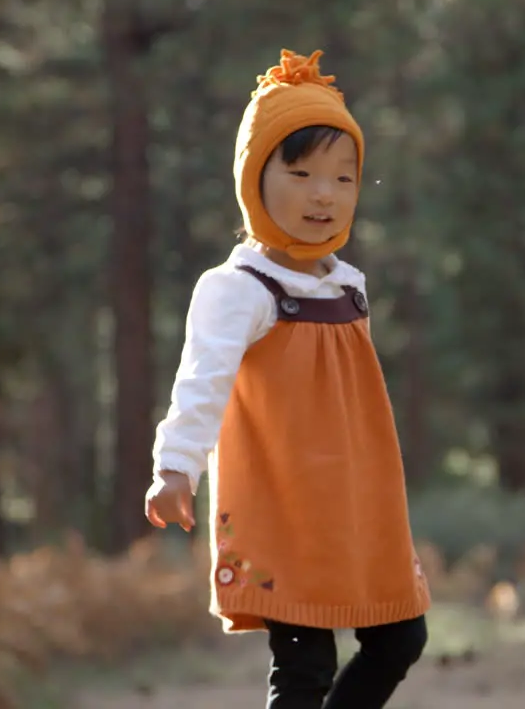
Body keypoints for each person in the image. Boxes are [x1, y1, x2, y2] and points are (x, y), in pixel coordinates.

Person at [144, 48, 431, 709]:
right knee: (304, 671)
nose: (323, 194)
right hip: (285, 505)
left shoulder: (349, 283)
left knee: (400, 636)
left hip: (359, 502)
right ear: (254, 180)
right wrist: (176, 467)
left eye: (343, 177)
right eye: (300, 173)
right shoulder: (239, 288)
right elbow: (202, 380)